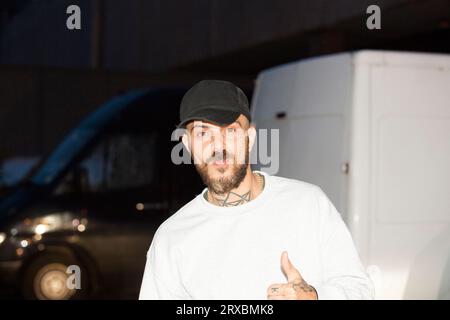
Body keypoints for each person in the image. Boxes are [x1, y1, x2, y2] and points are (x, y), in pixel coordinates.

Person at [139, 80, 374, 300]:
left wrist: (314, 296)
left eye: (230, 131)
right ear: (188, 145)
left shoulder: (309, 204)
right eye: (203, 134)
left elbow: (361, 290)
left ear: (249, 137)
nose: (218, 145)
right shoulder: (171, 239)